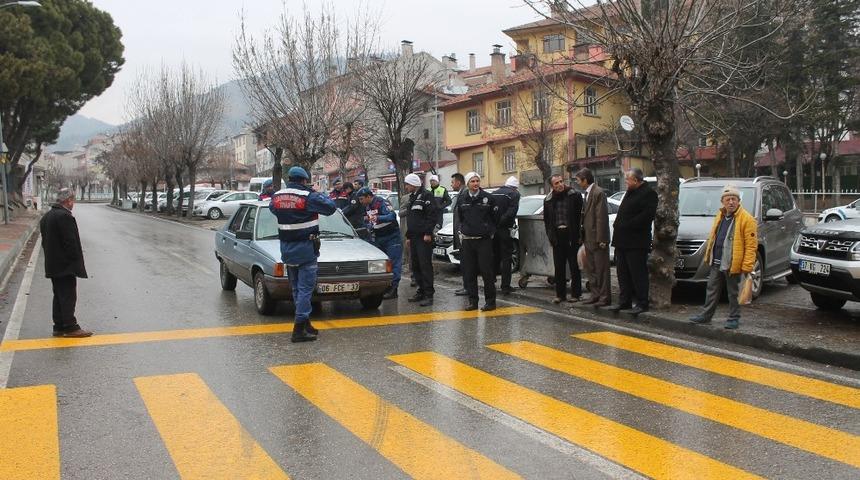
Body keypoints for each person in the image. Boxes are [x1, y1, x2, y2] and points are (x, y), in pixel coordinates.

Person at [269, 166, 337, 342]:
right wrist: (315, 192)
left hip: (286, 248)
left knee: (296, 288)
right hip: (306, 247)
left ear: (290, 178)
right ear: (304, 180)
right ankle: (299, 329)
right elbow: (330, 208)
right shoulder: (308, 196)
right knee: (306, 289)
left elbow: (273, 209)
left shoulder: (277, 196)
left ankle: (306, 324)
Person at [690, 185, 758, 329]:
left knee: (733, 293)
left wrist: (747, 266)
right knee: (712, 289)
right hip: (717, 261)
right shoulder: (720, 215)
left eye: (734, 199)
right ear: (723, 202)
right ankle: (706, 316)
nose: (731, 202)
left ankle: (734, 318)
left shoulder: (747, 219)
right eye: (728, 199)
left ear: (738, 201)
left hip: (733, 263)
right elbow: (714, 237)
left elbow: (751, 246)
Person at [40, 188, 92, 338]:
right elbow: (71, 243)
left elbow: (45, 242)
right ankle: (70, 326)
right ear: (68, 200)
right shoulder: (64, 217)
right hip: (65, 266)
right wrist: (74, 261)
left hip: (53, 264)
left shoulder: (47, 216)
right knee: (68, 295)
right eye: (72, 200)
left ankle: (59, 326)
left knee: (58, 295)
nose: (73, 204)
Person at [610, 168, 658, 315]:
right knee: (622, 273)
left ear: (636, 180)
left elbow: (646, 216)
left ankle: (642, 302)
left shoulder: (649, 194)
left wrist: (627, 225)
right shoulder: (630, 192)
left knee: (638, 274)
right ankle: (625, 301)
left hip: (636, 242)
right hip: (622, 241)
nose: (626, 183)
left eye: (628, 180)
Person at [457, 172, 499, 311]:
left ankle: (490, 302)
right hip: (468, 241)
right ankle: (473, 301)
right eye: (472, 181)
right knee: (469, 272)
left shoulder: (488, 198)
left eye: (477, 181)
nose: (475, 184)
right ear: (467, 184)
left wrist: (490, 231)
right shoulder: (462, 199)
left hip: (483, 241)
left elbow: (495, 218)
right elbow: (461, 218)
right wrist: (464, 230)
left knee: (487, 272)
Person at [543, 174, 583, 304]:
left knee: (574, 266)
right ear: (552, 186)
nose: (560, 185)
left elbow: (580, 217)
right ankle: (560, 295)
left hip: (571, 235)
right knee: (559, 267)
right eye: (556, 183)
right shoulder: (548, 200)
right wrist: (550, 236)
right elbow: (547, 221)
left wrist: (579, 235)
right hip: (557, 236)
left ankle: (576, 294)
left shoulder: (574, 195)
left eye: (561, 181)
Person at [576, 168, 611, 306]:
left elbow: (601, 217)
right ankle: (595, 294)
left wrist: (602, 239)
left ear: (585, 180)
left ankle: (604, 297)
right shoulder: (588, 193)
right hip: (588, 237)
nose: (578, 183)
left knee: (601, 269)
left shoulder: (598, 192)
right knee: (591, 268)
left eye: (579, 180)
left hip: (597, 237)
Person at [357, 187, 402, 299]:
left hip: (392, 237)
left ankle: (393, 288)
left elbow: (392, 216)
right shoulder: (367, 206)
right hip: (378, 237)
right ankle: (383, 287)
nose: (360, 202)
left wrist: (377, 218)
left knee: (394, 263)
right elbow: (368, 221)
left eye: (362, 199)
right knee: (380, 264)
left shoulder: (381, 202)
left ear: (369, 196)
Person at [404, 173, 438, 306]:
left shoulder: (426, 195)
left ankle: (429, 294)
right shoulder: (412, 197)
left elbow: (432, 215)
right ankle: (421, 290)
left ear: (413, 184)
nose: (406, 187)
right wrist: (408, 236)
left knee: (425, 265)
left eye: (407, 184)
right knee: (416, 265)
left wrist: (428, 233)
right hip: (414, 237)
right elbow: (412, 218)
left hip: (424, 237)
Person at [492, 176, 520, 295]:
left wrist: (494, 224)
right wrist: (502, 222)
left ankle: (491, 281)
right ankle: (505, 286)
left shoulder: (494, 193)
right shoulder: (514, 194)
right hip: (504, 229)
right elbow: (512, 212)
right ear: (515, 187)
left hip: (493, 230)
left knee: (494, 256)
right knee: (506, 258)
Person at [450, 173, 469, 297]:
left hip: (464, 235)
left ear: (458, 182)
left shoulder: (465, 193)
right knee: (465, 262)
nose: (451, 184)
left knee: (467, 263)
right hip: (461, 234)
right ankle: (466, 286)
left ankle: (468, 287)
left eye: (452, 182)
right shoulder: (461, 193)